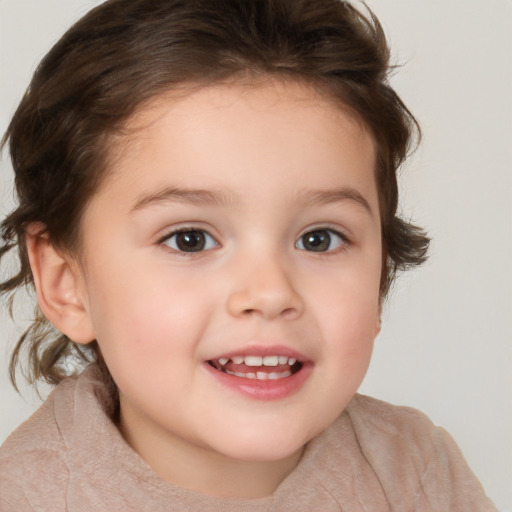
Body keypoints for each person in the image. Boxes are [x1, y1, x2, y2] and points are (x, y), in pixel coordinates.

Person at [0, 0, 498, 510]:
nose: (269, 293)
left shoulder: (416, 472)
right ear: (66, 283)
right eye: (189, 239)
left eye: (319, 238)